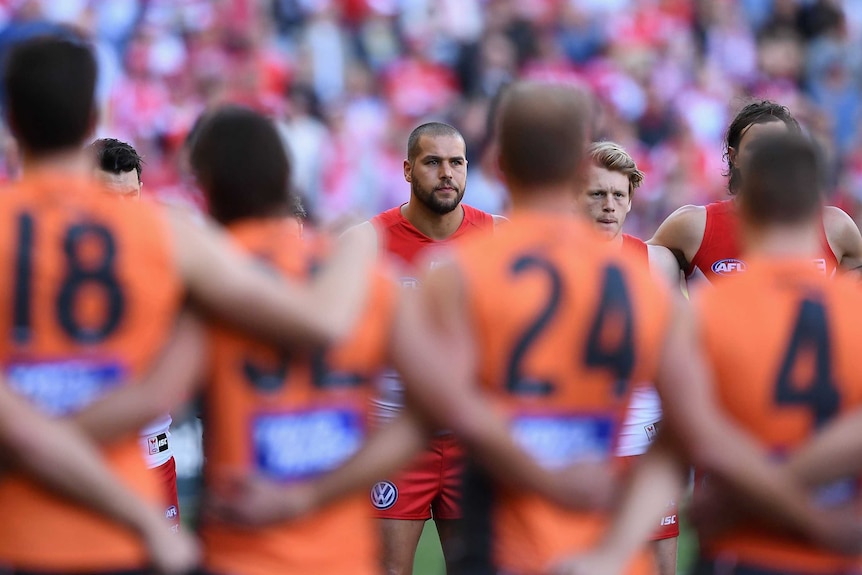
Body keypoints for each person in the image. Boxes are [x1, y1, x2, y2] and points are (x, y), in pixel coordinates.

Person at [396, 81, 861, 575]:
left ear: (498, 165)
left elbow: (432, 407)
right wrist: (796, 501)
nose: (611, 204)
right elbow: (687, 425)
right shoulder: (644, 279)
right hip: (645, 503)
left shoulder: (455, 272)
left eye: (619, 194)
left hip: (508, 523)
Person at [0, 35, 378, 575]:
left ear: (11, 118)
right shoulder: (166, 232)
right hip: (123, 520)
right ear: (92, 118)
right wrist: (362, 240)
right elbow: (321, 320)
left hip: (18, 521)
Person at [690, 133, 862, 574]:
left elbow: (693, 431)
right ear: (818, 208)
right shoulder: (853, 308)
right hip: (836, 547)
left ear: (745, 207)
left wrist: (751, 497)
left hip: (741, 547)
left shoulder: (707, 310)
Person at [344, 121, 501, 575]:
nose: (447, 173)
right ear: (408, 170)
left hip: (470, 439)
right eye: (433, 162)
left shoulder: (498, 237)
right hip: (394, 437)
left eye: (457, 162)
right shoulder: (365, 242)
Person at [576, 140, 680, 575]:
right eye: (596, 193)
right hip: (578, 442)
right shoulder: (551, 262)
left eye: (619, 195)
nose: (609, 205)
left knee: (659, 565)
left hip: (643, 437)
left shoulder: (658, 262)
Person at [648, 100, 862, 282]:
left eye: (778, 149)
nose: (767, 159)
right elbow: (638, 267)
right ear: (734, 157)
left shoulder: (836, 227)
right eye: (757, 148)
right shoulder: (695, 226)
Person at [88, 136, 181, 532]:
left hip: (151, 455)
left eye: (131, 197)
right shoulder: (52, 258)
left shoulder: (169, 248)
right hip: (87, 456)